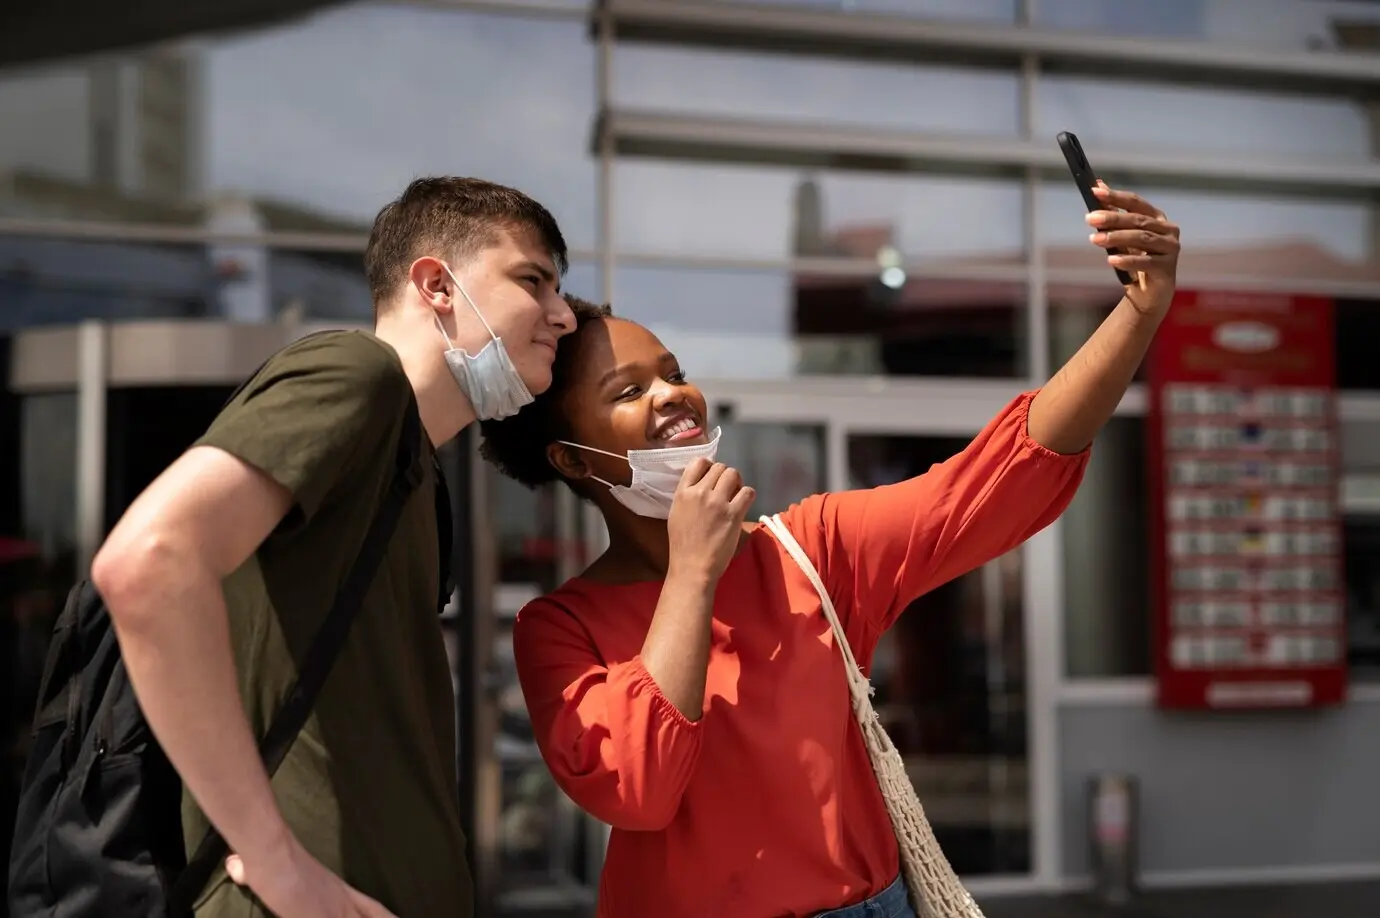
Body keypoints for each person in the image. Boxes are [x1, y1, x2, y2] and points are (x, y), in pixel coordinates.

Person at [478, 183, 1180, 917]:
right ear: (571, 460)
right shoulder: (559, 629)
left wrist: (1138, 313)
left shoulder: (810, 550)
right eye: (628, 391)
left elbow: (1002, 475)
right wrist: (691, 573)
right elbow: (637, 789)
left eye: (676, 373)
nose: (672, 396)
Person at [90, 177, 576, 918]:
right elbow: (150, 561)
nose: (562, 315)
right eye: (533, 281)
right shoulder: (361, 376)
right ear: (437, 285)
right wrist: (279, 865)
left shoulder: (410, 462)